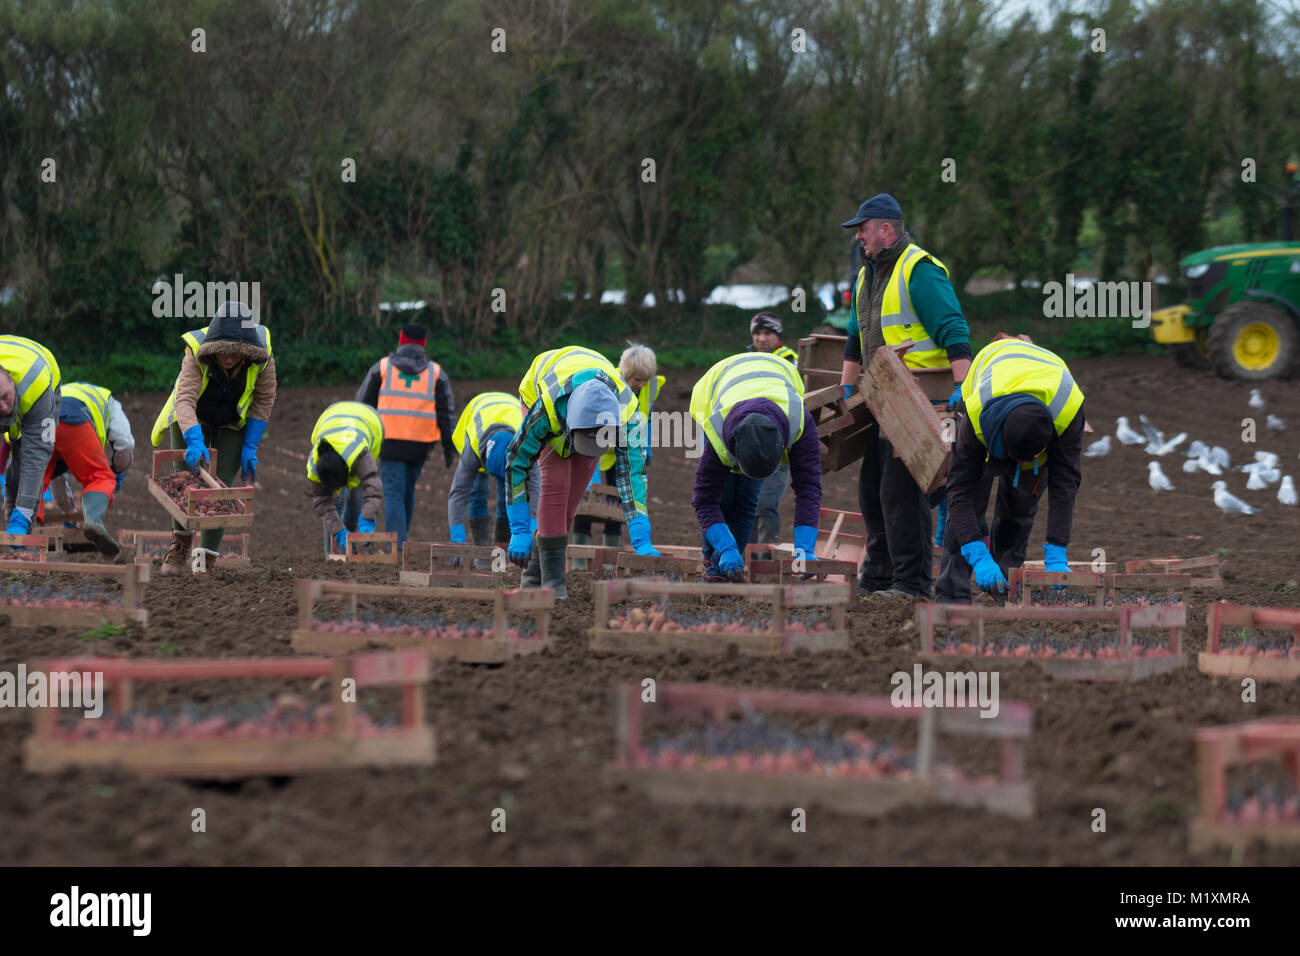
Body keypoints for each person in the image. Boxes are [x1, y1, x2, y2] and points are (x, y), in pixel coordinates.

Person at [838, 193, 972, 598]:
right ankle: (877, 576)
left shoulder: (920, 270)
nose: (858, 236)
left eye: (863, 228)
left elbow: (954, 329)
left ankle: (911, 583)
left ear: (885, 229)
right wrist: (847, 388)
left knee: (902, 491)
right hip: (881, 398)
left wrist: (962, 387)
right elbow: (852, 337)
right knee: (873, 491)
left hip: (918, 399)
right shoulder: (867, 275)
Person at [935, 338, 1085, 603]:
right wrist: (977, 553)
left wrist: (1058, 550)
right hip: (984, 381)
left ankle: (1007, 588)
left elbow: (1066, 483)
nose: (1019, 466)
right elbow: (958, 490)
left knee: (1022, 502)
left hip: (1046, 386)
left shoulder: (1068, 410)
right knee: (970, 502)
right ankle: (952, 594)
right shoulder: (974, 416)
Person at [504, 345, 658, 598]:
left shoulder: (627, 412)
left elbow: (632, 473)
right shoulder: (546, 409)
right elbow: (516, 461)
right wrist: (519, 529)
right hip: (541, 394)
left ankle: (533, 577)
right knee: (556, 485)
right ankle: (553, 583)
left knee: (572, 500)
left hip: (588, 413)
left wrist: (640, 533)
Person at [150, 300, 276, 574]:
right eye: (222, 352)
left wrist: (250, 446)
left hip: (232, 423)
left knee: (221, 487)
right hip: (191, 417)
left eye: (233, 353)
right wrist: (194, 439)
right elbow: (183, 400)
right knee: (185, 481)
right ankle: (180, 547)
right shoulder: (195, 351)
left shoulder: (263, 357)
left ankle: (205, 556)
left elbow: (264, 400)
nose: (227, 358)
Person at [689, 352, 822, 582]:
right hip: (714, 388)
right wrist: (725, 548)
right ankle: (714, 562)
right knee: (723, 496)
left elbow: (808, 488)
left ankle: (729, 568)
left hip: (777, 374)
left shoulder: (800, 422)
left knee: (747, 499)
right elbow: (704, 499)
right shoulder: (717, 432)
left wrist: (805, 549)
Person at [356, 322, 455, 548]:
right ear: (424, 344)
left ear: (401, 340)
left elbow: (362, 406)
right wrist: (449, 448)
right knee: (407, 492)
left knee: (394, 493)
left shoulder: (381, 367)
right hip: (420, 445)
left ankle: (398, 546)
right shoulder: (436, 373)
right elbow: (446, 414)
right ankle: (401, 543)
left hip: (389, 442)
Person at [572, 344, 663, 557]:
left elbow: (645, 416)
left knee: (618, 502)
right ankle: (579, 555)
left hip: (625, 446)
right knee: (586, 498)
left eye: (644, 380)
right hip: (595, 444)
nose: (640, 385)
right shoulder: (607, 383)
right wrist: (589, 467)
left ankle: (608, 556)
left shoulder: (650, 385)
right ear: (624, 373)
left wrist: (645, 447)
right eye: (636, 380)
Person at [38, 381, 135, 556]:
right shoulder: (109, 401)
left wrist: (68, 512)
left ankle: (25, 525)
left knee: (37, 478)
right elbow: (124, 446)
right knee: (100, 478)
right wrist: (118, 473)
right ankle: (93, 521)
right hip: (75, 420)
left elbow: (57, 480)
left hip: (43, 424)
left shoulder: (63, 390)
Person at [447, 391, 538, 553]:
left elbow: (535, 487)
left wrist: (531, 530)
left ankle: (501, 551)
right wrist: (457, 539)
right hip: (479, 413)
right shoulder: (473, 449)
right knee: (477, 492)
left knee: (507, 495)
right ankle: (481, 552)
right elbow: (458, 494)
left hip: (510, 414)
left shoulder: (526, 444)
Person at [304, 401, 385, 557]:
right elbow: (323, 502)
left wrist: (367, 519)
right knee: (337, 500)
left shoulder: (359, 454)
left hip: (369, 419)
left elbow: (373, 487)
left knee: (355, 497)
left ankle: (350, 546)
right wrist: (339, 532)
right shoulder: (315, 466)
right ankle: (334, 552)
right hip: (331, 414)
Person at [0, 335, 61, 538]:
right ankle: (10, 516)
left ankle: (24, 522)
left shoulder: (38, 386)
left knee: (30, 455)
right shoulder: (4, 393)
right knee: (16, 462)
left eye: (5, 397)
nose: (3, 406)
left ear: (11, 380)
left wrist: (23, 511)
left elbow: (37, 453)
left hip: (45, 381)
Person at [746, 312, 797, 546]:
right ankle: (748, 555)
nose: (761, 338)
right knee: (747, 502)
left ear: (778, 335)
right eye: (757, 333)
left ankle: (764, 556)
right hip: (748, 440)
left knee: (766, 503)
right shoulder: (745, 360)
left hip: (779, 442)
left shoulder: (790, 360)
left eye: (767, 333)